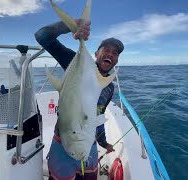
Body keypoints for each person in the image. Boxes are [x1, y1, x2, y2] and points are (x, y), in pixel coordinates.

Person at [35, 19, 124, 180]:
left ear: (117, 60)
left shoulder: (109, 86)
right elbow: (42, 36)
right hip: (63, 145)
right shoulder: (73, 62)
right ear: (97, 54)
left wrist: (103, 143)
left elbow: (98, 117)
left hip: (88, 145)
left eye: (115, 53)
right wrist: (69, 26)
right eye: (107, 50)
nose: (111, 54)